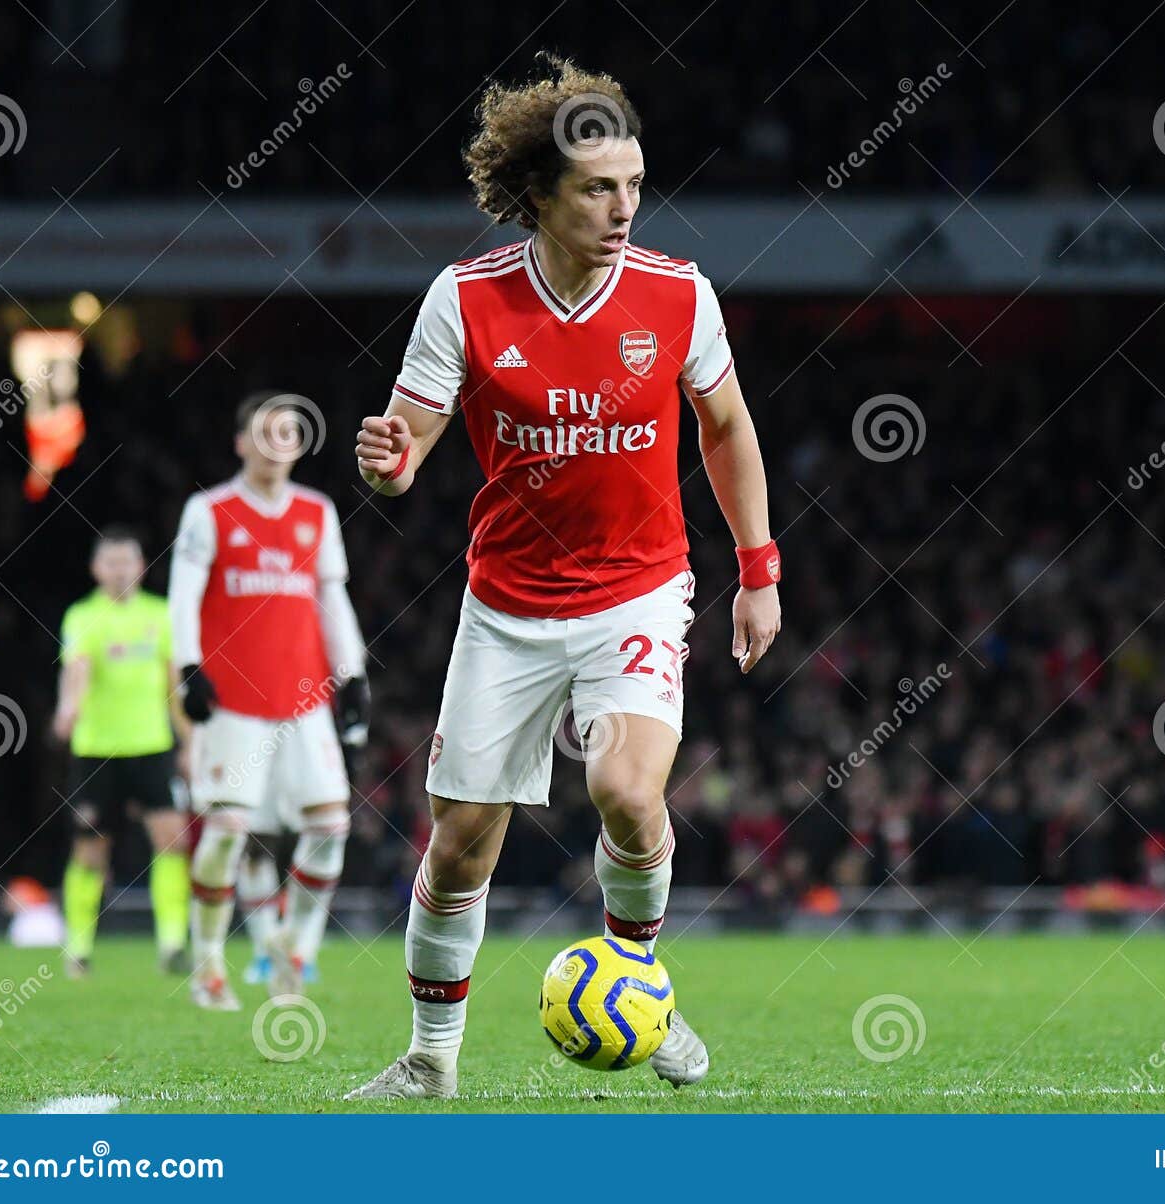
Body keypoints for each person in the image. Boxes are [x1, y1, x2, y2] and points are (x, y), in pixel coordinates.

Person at [345, 56, 781, 1100]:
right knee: (458, 847)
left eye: (633, 183)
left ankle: (641, 993)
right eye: (597, 187)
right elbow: (408, 439)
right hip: (506, 606)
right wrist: (391, 463)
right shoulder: (467, 297)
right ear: (538, 195)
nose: (624, 206)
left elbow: (724, 425)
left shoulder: (678, 295)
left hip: (637, 588)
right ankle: (427, 1062)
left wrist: (756, 569)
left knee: (627, 792)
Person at [167, 391, 370, 1011]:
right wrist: (187, 668)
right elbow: (183, 596)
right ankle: (207, 969)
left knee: (331, 826)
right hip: (234, 700)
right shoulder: (210, 511)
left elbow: (330, 599)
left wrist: (354, 674)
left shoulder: (317, 511)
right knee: (228, 830)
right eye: (264, 432)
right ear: (240, 442)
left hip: (304, 700)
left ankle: (295, 954)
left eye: (288, 433)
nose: (276, 443)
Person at [53, 527, 189, 976]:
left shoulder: (161, 614)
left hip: (151, 747)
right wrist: (68, 706)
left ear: (141, 565)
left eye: (127, 561)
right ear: (96, 569)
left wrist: (187, 742)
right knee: (91, 851)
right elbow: (78, 667)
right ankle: (78, 947)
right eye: (110, 562)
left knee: (172, 840)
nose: (119, 570)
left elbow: (174, 685)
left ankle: (172, 944)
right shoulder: (82, 615)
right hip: (97, 751)